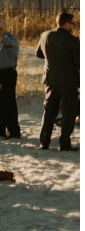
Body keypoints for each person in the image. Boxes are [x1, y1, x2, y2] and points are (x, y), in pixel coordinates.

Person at [35, 11, 79, 151]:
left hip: (50, 79)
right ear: (66, 24)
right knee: (68, 113)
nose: (73, 26)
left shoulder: (45, 35)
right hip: (69, 81)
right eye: (73, 23)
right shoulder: (73, 40)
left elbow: (38, 54)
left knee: (49, 111)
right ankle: (64, 143)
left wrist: (52, 59)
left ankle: (44, 142)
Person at [0, 17, 22, 140]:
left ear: (3, 28)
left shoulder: (11, 38)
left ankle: (14, 131)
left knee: (9, 102)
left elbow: (1, 39)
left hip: (7, 73)